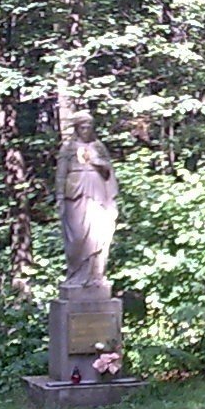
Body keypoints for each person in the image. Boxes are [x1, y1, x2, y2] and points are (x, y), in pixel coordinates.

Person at [57, 112, 120, 288]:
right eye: (82, 127)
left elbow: (109, 171)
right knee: (77, 236)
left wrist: (96, 161)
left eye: (89, 127)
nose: (86, 131)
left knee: (98, 233)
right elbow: (61, 174)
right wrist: (60, 197)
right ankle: (76, 275)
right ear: (77, 128)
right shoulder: (68, 148)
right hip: (75, 195)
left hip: (98, 193)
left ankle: (96, 275)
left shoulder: (98, 147)